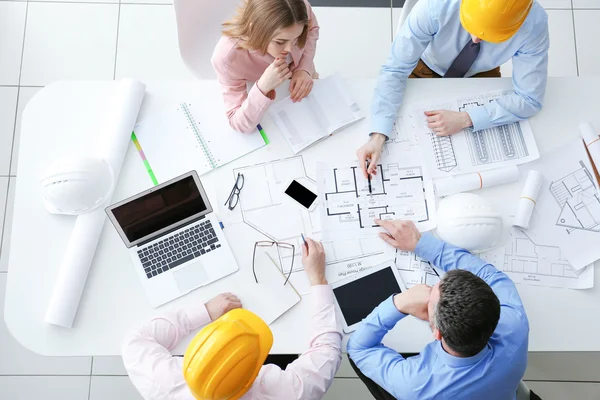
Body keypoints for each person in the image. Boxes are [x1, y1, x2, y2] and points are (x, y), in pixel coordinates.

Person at [121, 237, 341, 400]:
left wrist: (205, 311)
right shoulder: (281, 393)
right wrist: (318, 278)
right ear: (252, 378)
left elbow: (136, 341)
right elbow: (327, 351)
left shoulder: (163, 382)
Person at [357, 0, 549, 178]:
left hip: (480, 73)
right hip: (426, 65)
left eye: (489, 35)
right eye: (471, 27)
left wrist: (466, 118)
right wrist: (377, 136)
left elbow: (529, 98)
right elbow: (394, 71)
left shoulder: (533, 23)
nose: (475, 39)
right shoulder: (434, 6)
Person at [347, 219, 531, 400]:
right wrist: (420, 244)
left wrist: (399, 303)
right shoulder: (515, 326)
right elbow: (490, 275)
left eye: (429, 299)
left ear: (437, 333)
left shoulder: (416, 385)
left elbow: (358, 348)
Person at [212, 0, 319, 134]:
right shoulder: (227, 58)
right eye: (280, 42)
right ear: (254, 29)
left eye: (296, 38)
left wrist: (304, 67)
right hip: (268, 98)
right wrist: (263, 86)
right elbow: (238, 123)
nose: (290, 49)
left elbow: (312, 29)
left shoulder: (300, 9)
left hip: (303, 78)